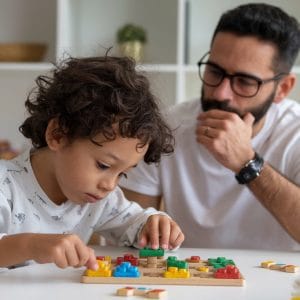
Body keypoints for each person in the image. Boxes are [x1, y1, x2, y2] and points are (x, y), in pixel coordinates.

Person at [120, 3, 300, 250]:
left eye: (245, 82)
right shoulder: (165, 127)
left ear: (283, 88)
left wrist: (247, 163)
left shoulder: (296, 132)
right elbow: (125, 231)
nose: (221, 93)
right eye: (214, 72)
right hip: (189, 279)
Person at [0, 55, 184, 270]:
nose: (110, 185)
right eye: (104, 166)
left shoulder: (99, 200)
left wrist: (153, 224)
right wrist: (31, 245)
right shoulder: (5, 187)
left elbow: (133, 223)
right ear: (58, 135)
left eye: (122, 173)